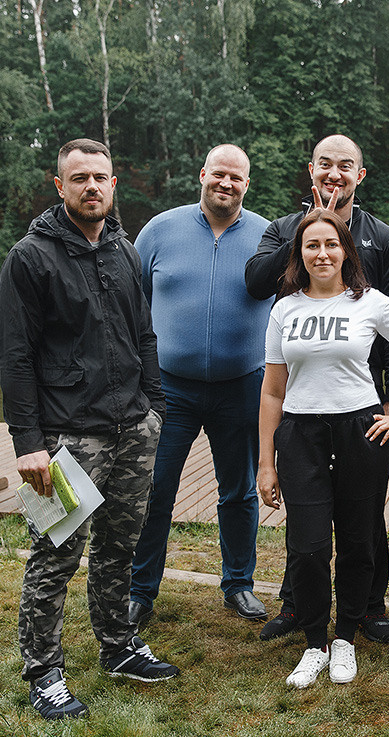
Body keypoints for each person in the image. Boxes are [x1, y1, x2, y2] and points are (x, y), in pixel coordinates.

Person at [0, 139, 179, 722]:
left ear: (113, 183)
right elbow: (15, 357)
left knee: (119, 549)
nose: (91, 187)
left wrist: (154, 408)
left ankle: (119, 647)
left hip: (132, 429)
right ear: (60, 186)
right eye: (80, 178)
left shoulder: (124, 251)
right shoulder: (30, 258)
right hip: (65, 438)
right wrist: (28, 446)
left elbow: (145, 336)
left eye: (100, 177)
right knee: (54, 553)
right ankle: (44, 671)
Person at [257, 209, 389, 688]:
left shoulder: (371, 302)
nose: (322, 253)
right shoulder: (284, 309)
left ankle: (344, 639)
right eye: (312, 245)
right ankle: (314, 642)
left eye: (331, 244)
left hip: (361, 431)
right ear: (300, 252)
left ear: (345, 251)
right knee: (309, 546)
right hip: (301, 434)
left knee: (359, 542)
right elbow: (272, 391)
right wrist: (265, 463)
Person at [246, 134, 389, 644]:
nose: (334, 174)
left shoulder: (381, 238)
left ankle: (369, 608)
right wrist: (305, 230)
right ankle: (298, 606)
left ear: (359, 176)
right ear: (311, 171)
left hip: (362, 402)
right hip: (300, 401)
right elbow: (255, 282)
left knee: (364, 515)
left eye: (345, 166)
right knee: (308, 524)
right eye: (325, 165)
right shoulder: (282, 229)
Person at [128, 144, 271, 626]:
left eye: (237, 178)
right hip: (170, 390)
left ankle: (239, 584)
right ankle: (140, 591)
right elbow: (133, 302)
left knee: (240, 491)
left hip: (242, 385)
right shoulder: (160, 230)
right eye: (219, 175)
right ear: (203, 175)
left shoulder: (267, 235)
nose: (226, 184)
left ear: (247, 185)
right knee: (156, 488)